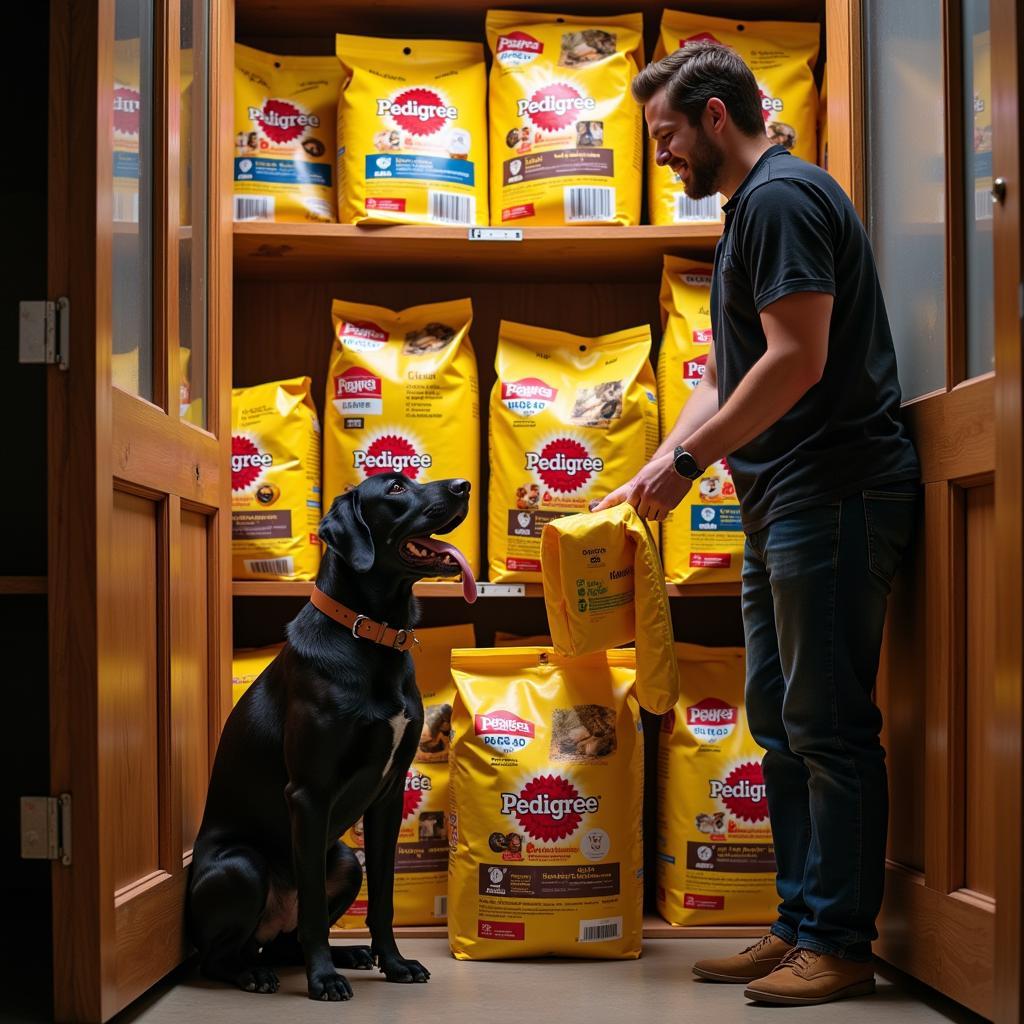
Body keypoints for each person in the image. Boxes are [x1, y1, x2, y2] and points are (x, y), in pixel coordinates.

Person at [594, 41, 920, 1007]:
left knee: (828, 722)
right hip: (782, 494)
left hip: (834, 489)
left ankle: (840, 940)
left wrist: (695, 460)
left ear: (717, 119)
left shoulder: (780, 200)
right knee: (779, 719)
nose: (662, 154)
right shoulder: (749, 213)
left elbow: (798, 358)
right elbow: (720, 377)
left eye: (666, 136)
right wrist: (663, 463)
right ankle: (797, 922)